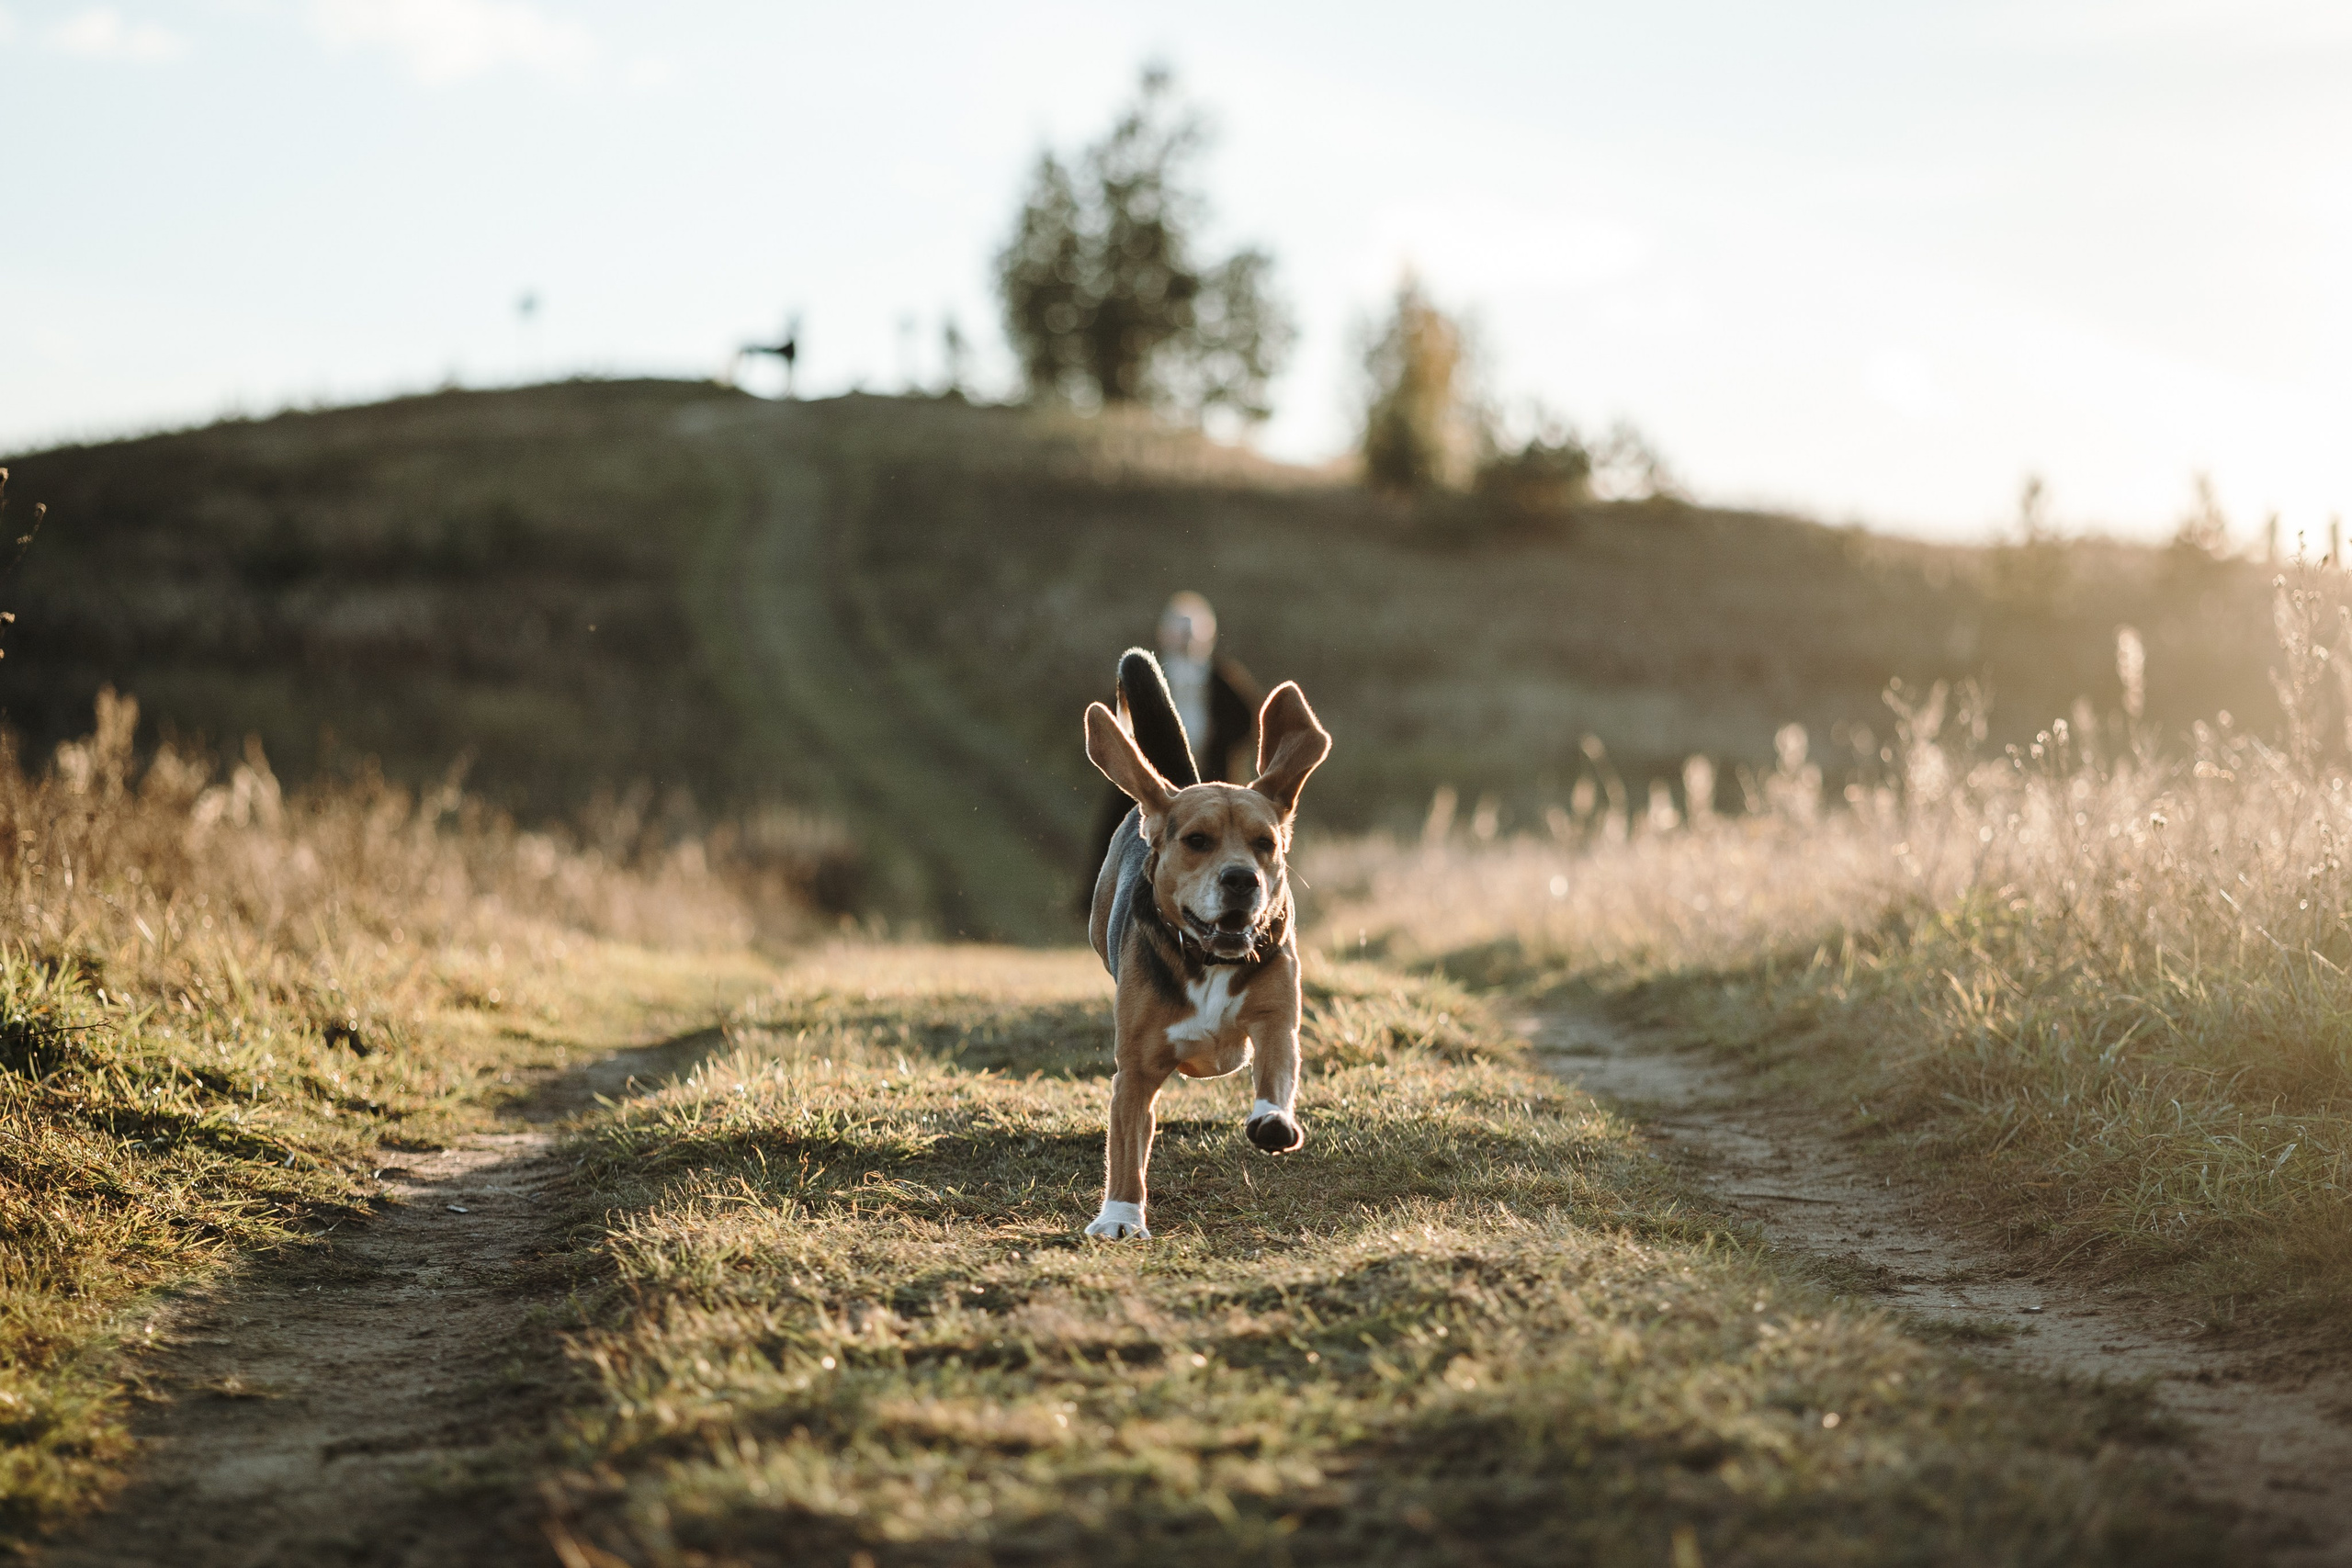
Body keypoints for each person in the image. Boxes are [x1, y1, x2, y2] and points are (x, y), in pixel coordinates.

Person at [1081, 592, 1261, 900]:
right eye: (1181, 632)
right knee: (1122, 835)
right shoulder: (1149, 673)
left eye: (1194, 633)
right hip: (1149, 778)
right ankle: (1108, 899)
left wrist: (1219, 746)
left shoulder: (1220, 677)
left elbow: (1246, 718)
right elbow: (1117, 717)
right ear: (1166, 634)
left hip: (1209, 776)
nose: (1187, 640)